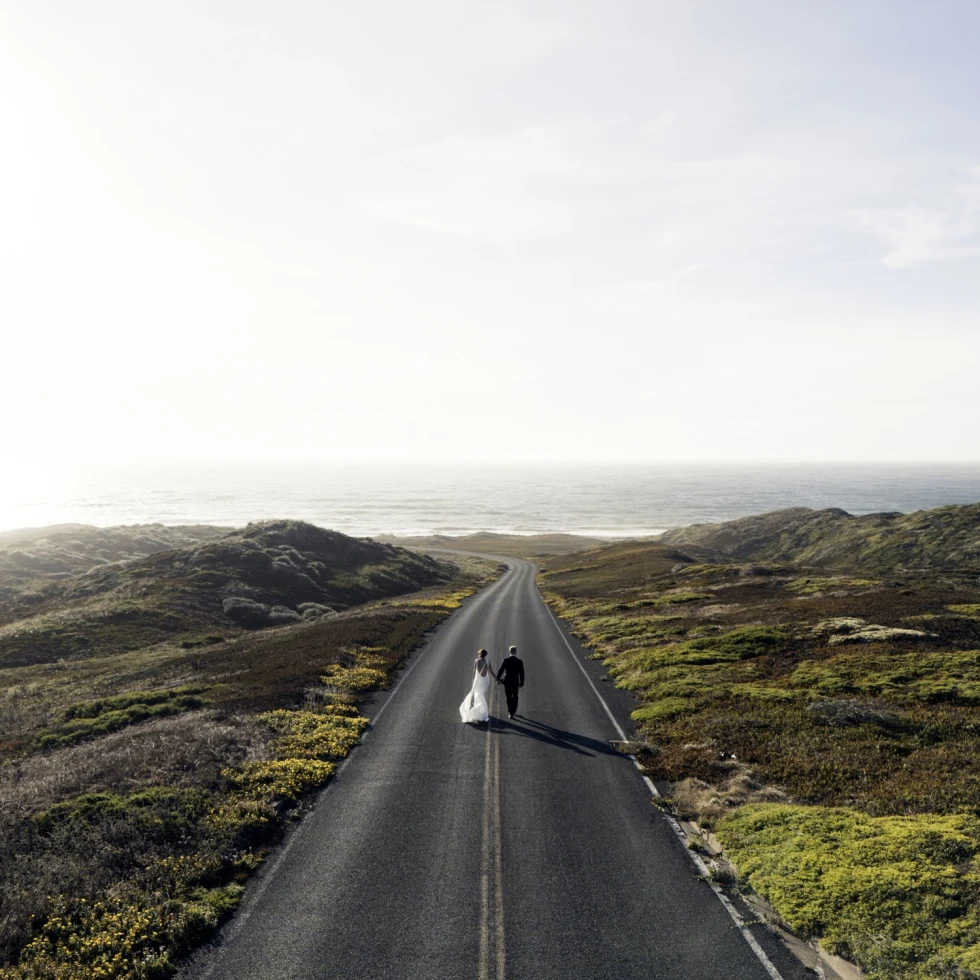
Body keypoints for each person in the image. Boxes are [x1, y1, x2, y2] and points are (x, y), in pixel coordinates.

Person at [459, 649, 496, 724]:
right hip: (485, 681)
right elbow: (491, 672)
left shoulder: (476, 661)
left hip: (477, 681)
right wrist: (497, 679)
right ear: (485, 654)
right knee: (482, 695)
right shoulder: (488, 662)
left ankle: (477, 711)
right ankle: (481, 711)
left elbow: (474, 672)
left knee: (477, 696)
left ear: (479, 654)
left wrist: (473, 682)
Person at [496, 645, 525, 719]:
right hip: (515, 682)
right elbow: (522, 673)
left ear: (509, 652)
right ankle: (514, 710)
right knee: (515, 697)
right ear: (516, 652)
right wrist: (521, 684)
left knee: (508, 697)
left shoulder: (506, 660)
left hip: (507, 681)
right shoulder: (519, 661)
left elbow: (501, 670)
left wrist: (498, 679)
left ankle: (510, 712)